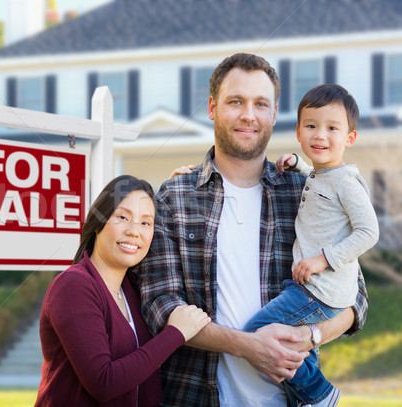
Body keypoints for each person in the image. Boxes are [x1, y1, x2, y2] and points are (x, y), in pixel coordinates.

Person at [138, 53, 369, 407]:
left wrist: (310, 335)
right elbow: (160, 304)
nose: (249, 114)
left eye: (261, 103)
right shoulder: (175, 196)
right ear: (213, 108)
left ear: (274, 114)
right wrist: (249, 346)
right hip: (194, 395)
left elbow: (354, 295)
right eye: (236, 102)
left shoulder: (303, 190)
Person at [240, 84, 380, 407]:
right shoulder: (320, 175)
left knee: (257, 332)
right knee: (299, 347)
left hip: (319, 289)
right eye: (312, 126)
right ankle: (306, 400)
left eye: (332, 128)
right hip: (309, 286)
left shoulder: (347, 181)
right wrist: (298, 166)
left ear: (349, 138)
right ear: (299, 133)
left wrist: (322, 260)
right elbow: (320, 187)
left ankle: (319, 393)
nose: (320, 135)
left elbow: (368, 231)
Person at [35, 175, 211, 407]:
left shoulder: (134, 288)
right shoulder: (73, 286)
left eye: (145, 223)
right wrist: (175, 333)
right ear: (98, 221)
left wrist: (184, 182)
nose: (134, 231)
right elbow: (104, 383)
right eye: (123, 217)